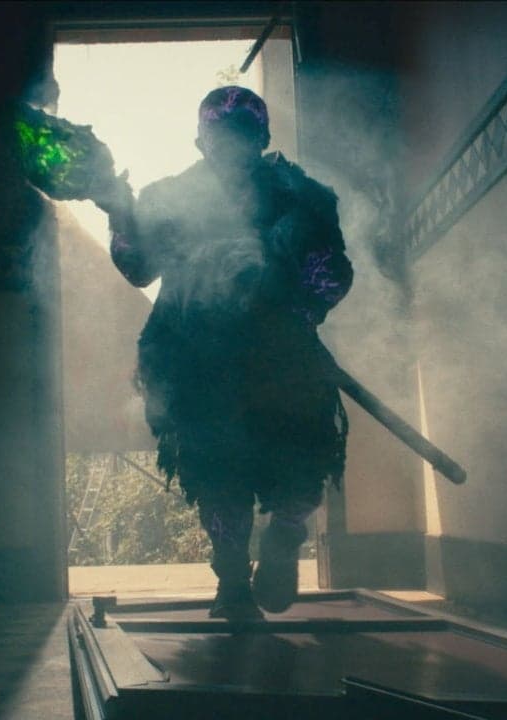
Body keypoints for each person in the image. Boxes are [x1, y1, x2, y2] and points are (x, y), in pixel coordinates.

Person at [91, 86, 353, 620]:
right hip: (197, 360)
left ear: (262, 138)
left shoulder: (303, 197)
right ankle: (232, 579)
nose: (230, 146)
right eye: (220, 136)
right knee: (217, 473)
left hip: (282, 359)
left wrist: (281, 284)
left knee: (300, 465)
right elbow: (139, 267)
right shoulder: (168, 199)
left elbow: (332, 276)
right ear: (200, 141)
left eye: (242, 134)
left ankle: (284, 537)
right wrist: (120, 213)